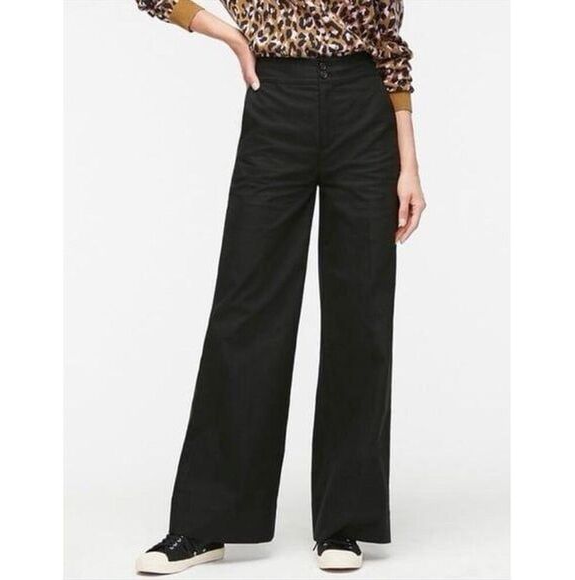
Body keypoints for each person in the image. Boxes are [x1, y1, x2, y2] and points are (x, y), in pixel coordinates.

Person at [134, 0, 426, 573]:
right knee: (246, 312)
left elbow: (389, 46)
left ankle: (344, 524)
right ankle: (205, 523)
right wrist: (230, 36)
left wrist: (409, 164)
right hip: (277, 100)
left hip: (363, 107)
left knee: (360, 316)